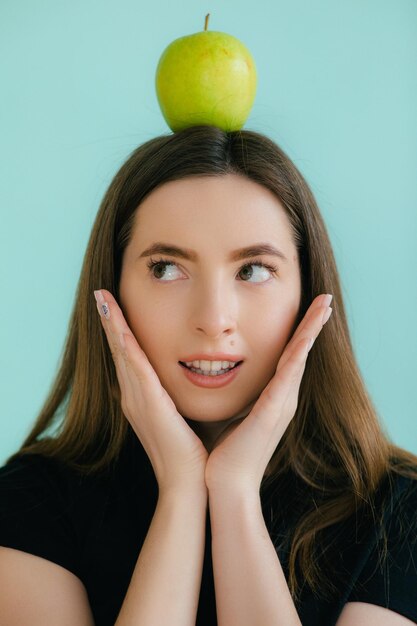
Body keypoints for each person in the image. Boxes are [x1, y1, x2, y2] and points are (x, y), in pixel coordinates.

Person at [0, 125, 416, 626]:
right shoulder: (31, 502)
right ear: (110, 290)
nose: (213, 318)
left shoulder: (397, 513)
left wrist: (235, 491)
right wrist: (180, 492)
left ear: (309, 295)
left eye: (254, 270)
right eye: (165, 269)